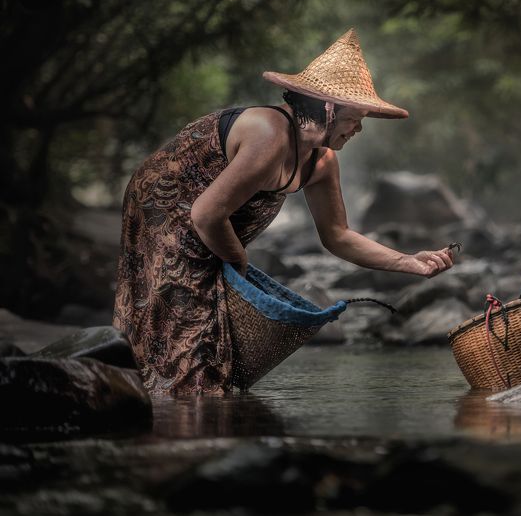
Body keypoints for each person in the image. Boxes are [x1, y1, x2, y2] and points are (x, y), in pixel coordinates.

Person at [113, 29, 455, 394]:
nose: (358, 129)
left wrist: (407, 262)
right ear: (328, 108)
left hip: (213, 221)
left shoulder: (322, 162)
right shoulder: (268, 133)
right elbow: (206, 215)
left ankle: (199, 417)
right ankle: (168, 409)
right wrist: (237, 259)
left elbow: (337, 235)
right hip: (165, 207)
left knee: (217, 337)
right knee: (181, 326)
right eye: (355, 118)